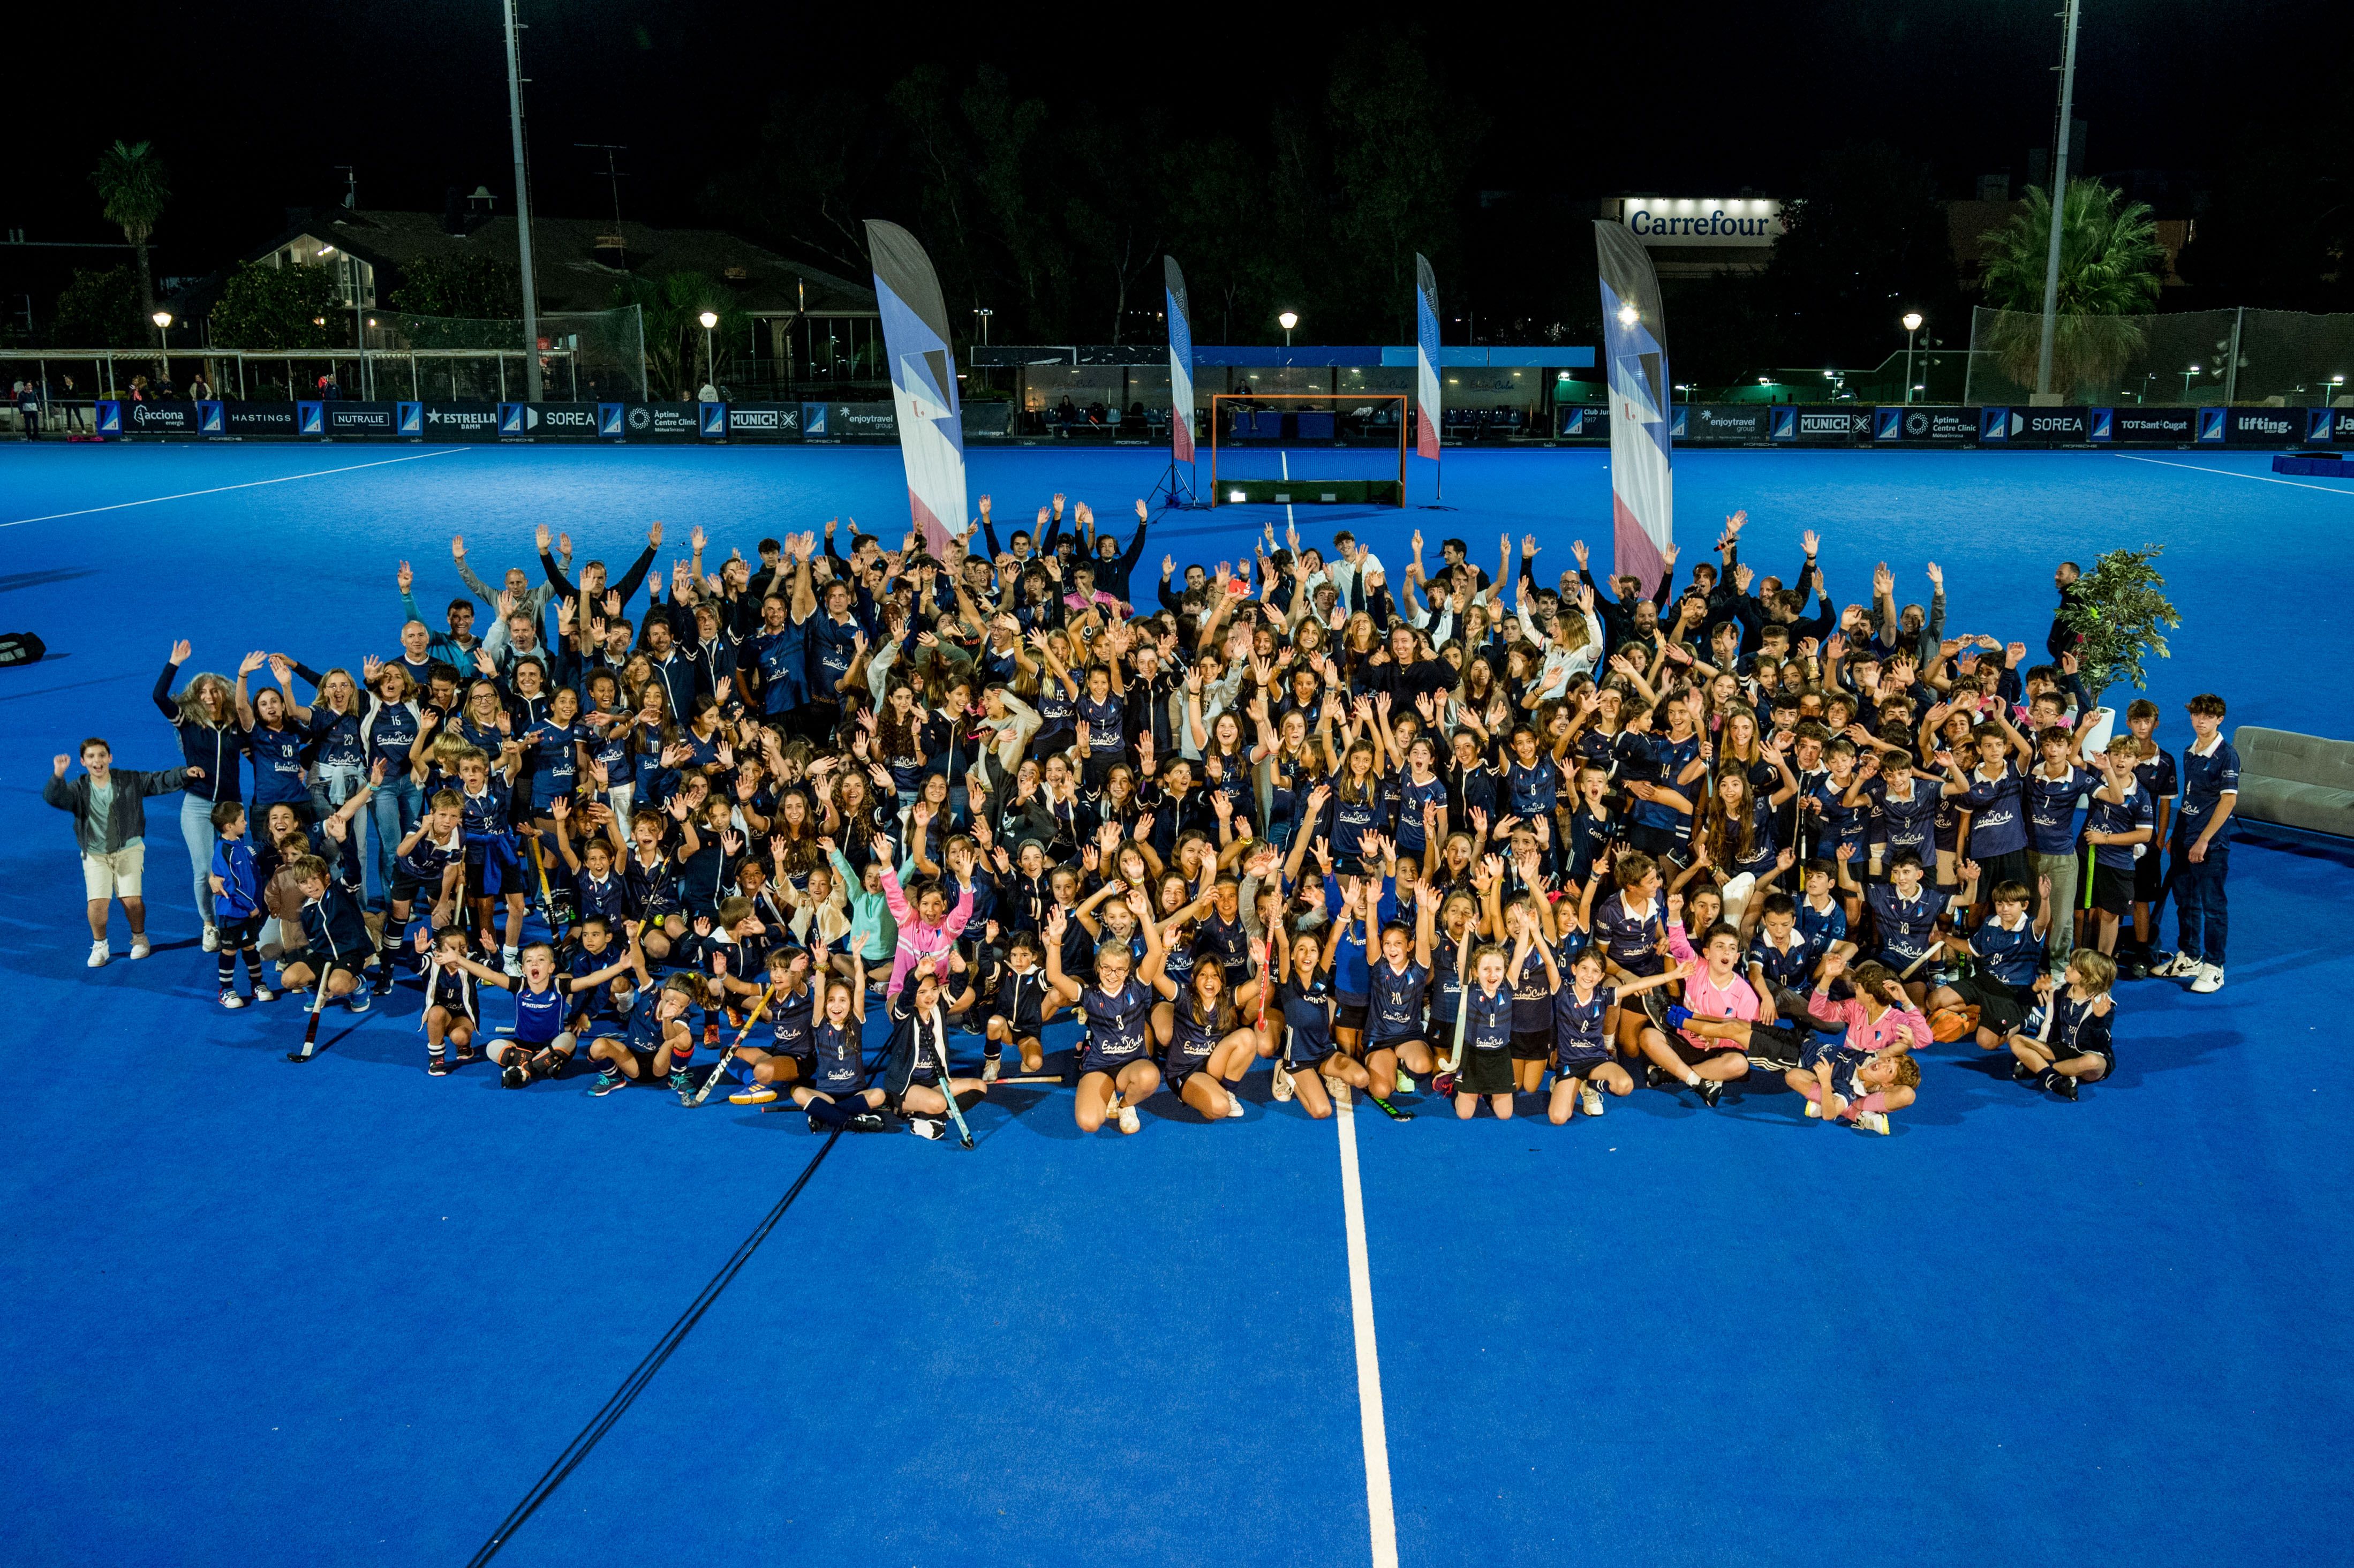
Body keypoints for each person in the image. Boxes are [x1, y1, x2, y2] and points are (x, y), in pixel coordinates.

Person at [45, 740, 196, 967]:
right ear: (83, 762)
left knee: (132, 901)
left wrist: (184, 774)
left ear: (110, 758)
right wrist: (58, 776)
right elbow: (56, 798)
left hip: (129, 848)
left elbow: (157, 781)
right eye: (92, 757)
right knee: (97, 903)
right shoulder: (78, 789)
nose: (98, 761)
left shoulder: (129, 780)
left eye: (102, 755)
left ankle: (140, 938)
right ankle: (100, 945)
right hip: (95, 854)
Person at [2152, 693, 2236, 993]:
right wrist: (2178, 833)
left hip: (2209, 845)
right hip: (2186, 839)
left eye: (2208, 717)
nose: (2200, 721)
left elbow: (2228, 802)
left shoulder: (2227, 755)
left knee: (2213, 907)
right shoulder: (2190, 751)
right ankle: (2190, 957)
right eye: (2196, 715)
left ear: (2219, 719)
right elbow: (2190, 799)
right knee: (2184, 901)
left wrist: (2203, 840)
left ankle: (2215, 967)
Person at [2006, 950, 2118, 1100]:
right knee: (2016, 1040)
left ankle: (2038, 1068)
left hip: (2087, 1055)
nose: (2067, 968)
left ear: (2089, 977)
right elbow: (2021, 1000)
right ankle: (2052, 1078)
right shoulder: (2059, 991)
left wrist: (2097, 1019)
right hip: (2060, 1048)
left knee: (2091, 1062)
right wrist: (2035, 989)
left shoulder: (2103, 1004)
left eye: (2073, 968)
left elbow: (2098, 1044)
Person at [207, 800, 276, 1006]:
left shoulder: (239, 845)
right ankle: (226, 989)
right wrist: (252, 906)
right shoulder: (224, 852)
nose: (246, 823)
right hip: (233, 913)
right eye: (242, 820)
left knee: (250, 947)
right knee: (230, 950)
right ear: (229, 826)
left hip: (248, 913)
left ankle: (257, 984)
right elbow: (232, 886)